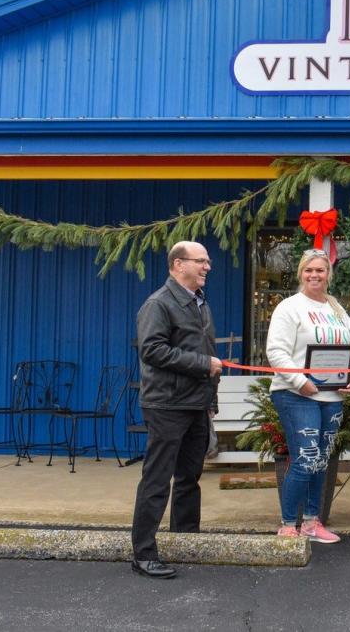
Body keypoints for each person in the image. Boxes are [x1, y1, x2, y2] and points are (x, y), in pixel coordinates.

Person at [131, 241, 223, 579]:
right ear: (177, 264)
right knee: (157, 479)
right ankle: (143, 554)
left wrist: (210, 403)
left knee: (189, 477)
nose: (207, 267)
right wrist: (203, 364)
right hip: (166, 404)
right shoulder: (158, 303)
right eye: (201, 261)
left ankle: (185, 539)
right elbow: (152, 350)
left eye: (208, 262)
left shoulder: (200, 303)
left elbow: (207, 355)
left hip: (196, 404)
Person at [265, 248, 350, 542]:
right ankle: (287, 524)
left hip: (332, 397)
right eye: (309, 270)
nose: (314, 275)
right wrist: (299, 381)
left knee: (321, 460)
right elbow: (276, 351)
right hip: (297, 395)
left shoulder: (338, 310)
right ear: (301, 274)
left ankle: (311, 522)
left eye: (320, 270)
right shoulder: (289, 307)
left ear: (328, 274)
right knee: (306, 458)